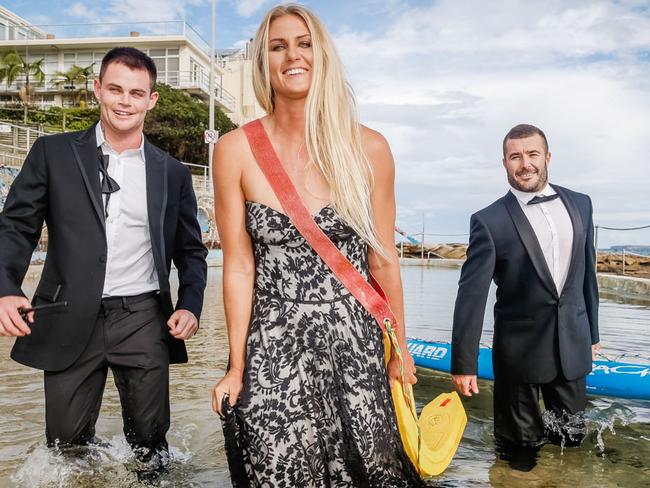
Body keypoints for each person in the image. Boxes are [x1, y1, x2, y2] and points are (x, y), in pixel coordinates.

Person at [211, 4, 424, 486]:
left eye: (304, 43)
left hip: (356, 340)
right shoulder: (234, 150)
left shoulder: (369, 148)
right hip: (273, 341)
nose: (293, 55)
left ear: (321, 55)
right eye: (278, 46)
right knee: (277, 466)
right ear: (262, 62)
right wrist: (236, 365)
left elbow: (382, 260)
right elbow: (240, 267)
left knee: (369, 469)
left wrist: (401, 349)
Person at [0, 47, 207, 478]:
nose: (124, 101)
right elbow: (16, 227)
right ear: (97, 90)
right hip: (68, 313)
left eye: (136, 92)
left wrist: (190, 304)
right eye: (114, 89)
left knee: (152, 447)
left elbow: (191, 250)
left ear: (151, 99)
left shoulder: (171, 172)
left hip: (144, 319)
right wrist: (5, 287)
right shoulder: (52, 152)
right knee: (64, 449)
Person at [451, 124, 600, 470]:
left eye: (532, 154)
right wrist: (464, 363)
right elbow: (471, 294)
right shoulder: (488, 221)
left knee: (572, 444)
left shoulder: (581, 204)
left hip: (572, 347)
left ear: (547, 157)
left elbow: (586, 274)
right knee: (517, 453)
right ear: (504, 162)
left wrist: (592, 334)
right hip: (517, 356)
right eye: (515, 156)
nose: (525, 163)